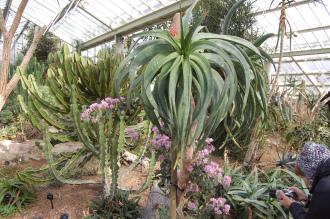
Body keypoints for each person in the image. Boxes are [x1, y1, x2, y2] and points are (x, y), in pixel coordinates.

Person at [277, 142, 330, 218]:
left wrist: (291, 205)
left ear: (310, 172)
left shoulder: (325, 188)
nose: (306, 181)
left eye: (304, 176)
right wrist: (307, 199)